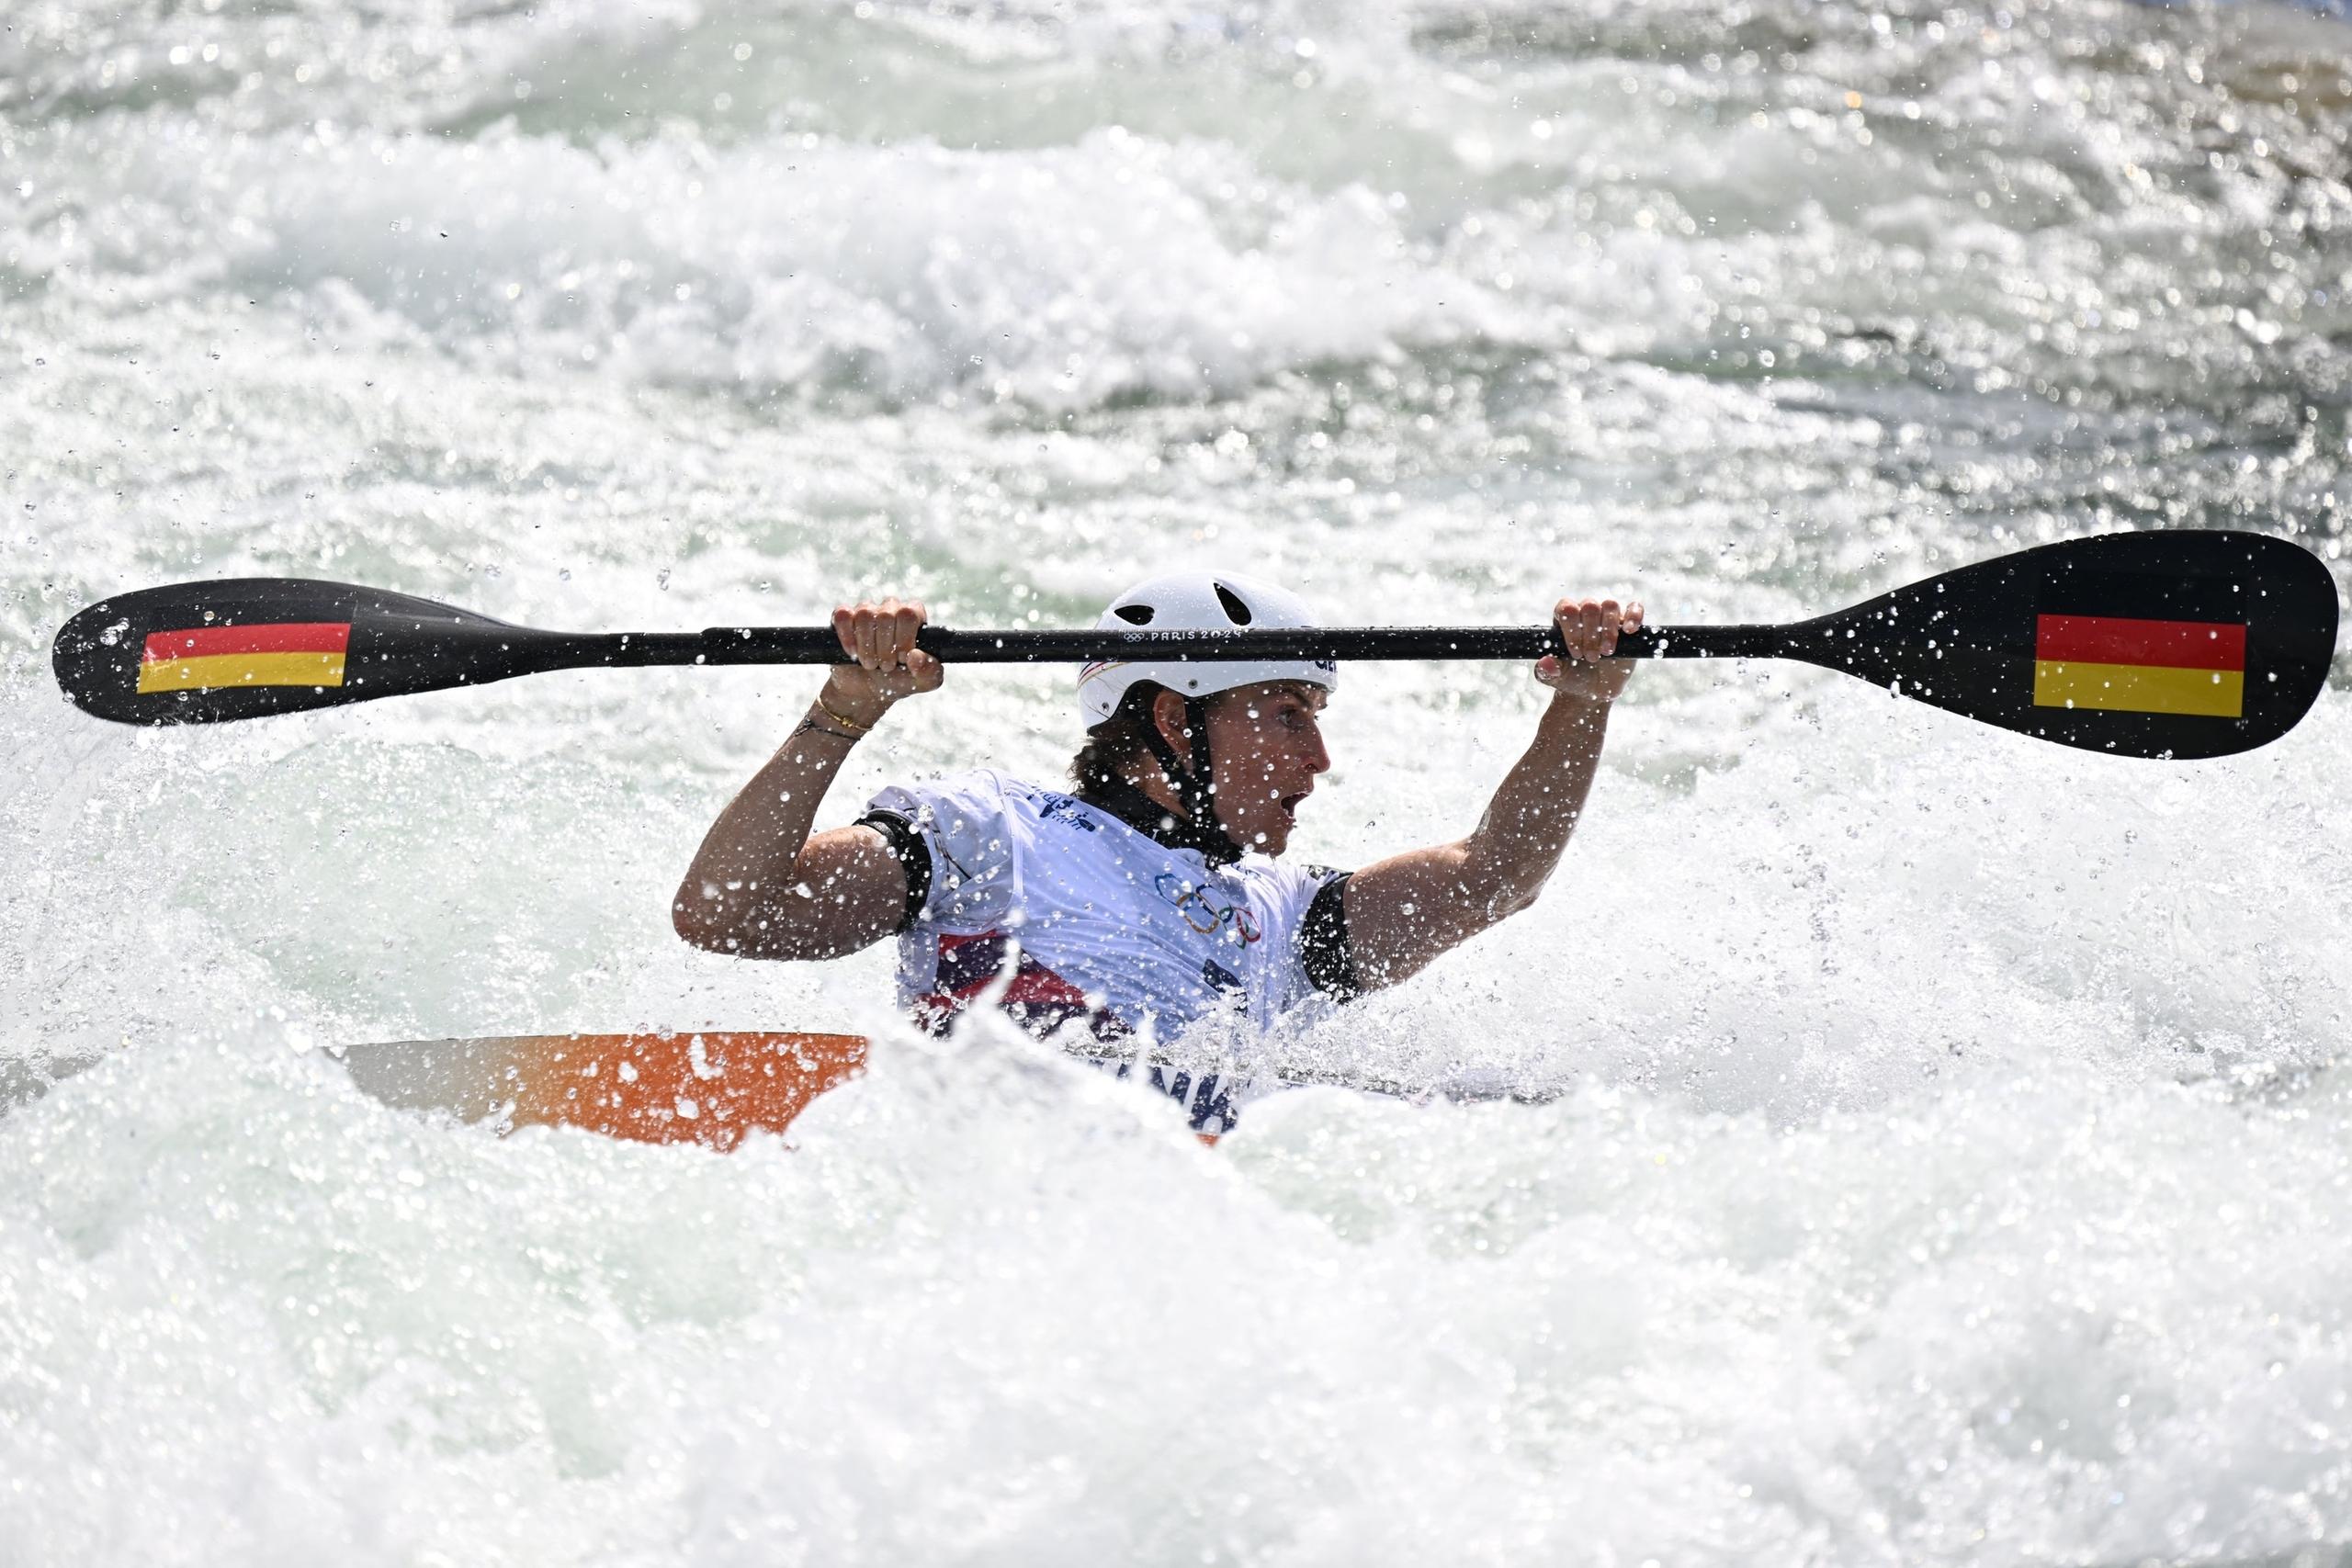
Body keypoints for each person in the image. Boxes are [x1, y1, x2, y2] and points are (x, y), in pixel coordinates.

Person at [673, 571, 1642, 1134]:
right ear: (1175, 720)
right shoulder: (986, 832)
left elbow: (1494, 875)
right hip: (991, 1193)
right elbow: (725, 912)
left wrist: (1581, 703)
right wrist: (841, 715)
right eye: (1287, 714)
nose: (1319, 757)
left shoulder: (1281, 913)